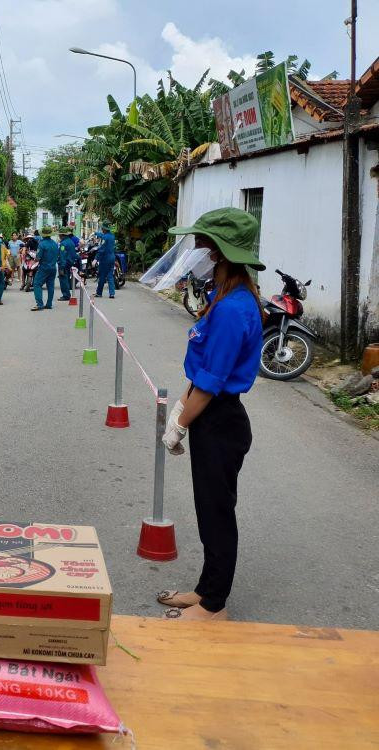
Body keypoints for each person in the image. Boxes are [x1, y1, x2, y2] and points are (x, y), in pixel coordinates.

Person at [157, 208, 265, 622]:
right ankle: (204, 590)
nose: (198, 252)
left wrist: (178, 425)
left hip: (220, 421)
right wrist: (182, 413)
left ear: (221, 254)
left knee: (217, 512)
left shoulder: (234, 309)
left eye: (204, 245)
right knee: (208, 508)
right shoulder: (222, 299)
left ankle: (214, 605)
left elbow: (211, 382)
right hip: (208, 414)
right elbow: (199, 372)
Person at [30, 226, 59, 311]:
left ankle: (39, 304)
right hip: (53, 267)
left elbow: (38, 257)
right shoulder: (54, 243)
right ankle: (49, 304)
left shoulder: (42, 244)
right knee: (50, 285)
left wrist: (34, 260)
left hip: (44, 267)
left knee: (37, 284)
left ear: (43, 234)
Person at [95, 222, 117, 299]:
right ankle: (112, 293)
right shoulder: (112, 236)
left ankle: (99, 293)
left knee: (102, 276)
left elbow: (102, 249)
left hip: (105, 259)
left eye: (102, 228)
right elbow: (103, 235)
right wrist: (96, 233)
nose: (101, 229)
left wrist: (95, 259)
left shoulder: (104, 238)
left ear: (104, 229)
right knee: (110, 276)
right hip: (112, 257)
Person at [58, 226, 78, 301]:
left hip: (64, 263)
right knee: (66, 278)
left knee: (63, 279)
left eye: (60, 234)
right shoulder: (71, 242)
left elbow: (62, 255)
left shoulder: (63, 244)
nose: (59, 236)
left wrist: (62, 266)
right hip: (70, 262)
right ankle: (67, 294)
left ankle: (66, 295)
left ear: (62, 235)